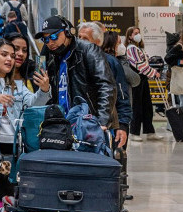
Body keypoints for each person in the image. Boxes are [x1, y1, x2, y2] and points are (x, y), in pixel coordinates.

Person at [36, 16, 121, 145]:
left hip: (86, 124)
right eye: (45, 39)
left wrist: (101, 121)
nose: (49, 42)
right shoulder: (50, 55)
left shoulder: (87, 50)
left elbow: (106, 85)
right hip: (60, 126)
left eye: (53, 37)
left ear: (68, 32)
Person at [124, 26, 162, 142]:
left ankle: (149, 130)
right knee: (137, 106)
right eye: (135, 33)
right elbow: (138, 64)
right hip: (137, 78)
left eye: (138, 33)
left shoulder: (138, 48)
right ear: (130, 36)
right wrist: (153, 72)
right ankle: (134, 132)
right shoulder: (131, 48)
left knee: (147, 105)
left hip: (143, 78)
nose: (138, 35)